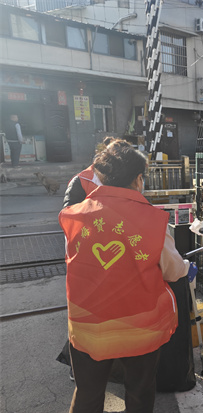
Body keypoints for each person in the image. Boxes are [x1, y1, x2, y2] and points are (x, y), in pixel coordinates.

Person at [59, 140, 197, 413]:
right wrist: (187, 267)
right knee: (140, 388)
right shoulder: (152, 220)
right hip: (139, 323)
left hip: (87, 319)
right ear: (137, 178)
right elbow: (173, 269)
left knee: (88, 385)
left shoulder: (74, 215)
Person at [56, 136, 115, 380]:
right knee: (85, 315)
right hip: (86, 258)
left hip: (112, 256)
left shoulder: (117, 179)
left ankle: (107, 363)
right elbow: (68, 217)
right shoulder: (81, 181)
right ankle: (76, 365)